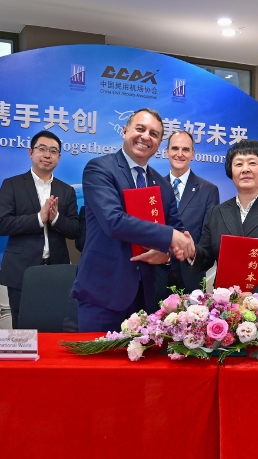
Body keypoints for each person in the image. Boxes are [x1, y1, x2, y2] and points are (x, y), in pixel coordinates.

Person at [70, 108, 195, 333]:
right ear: (125, 130)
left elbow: (176, 230)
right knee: (97, 366)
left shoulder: (162, 185)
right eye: (140, 129)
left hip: (146, 298)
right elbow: (113, 221)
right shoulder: (100, 169)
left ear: (158, 145)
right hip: (103, 294)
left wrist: (166, 254)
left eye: (154, 134)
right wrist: (170, 237)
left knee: (138, 367)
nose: (146, 136)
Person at [182, 140, 258, 308]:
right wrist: (192, 251)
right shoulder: (218, 212)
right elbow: (207, 256)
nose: (245, 169)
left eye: (252, 163)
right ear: (231, 172)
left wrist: (257, 295)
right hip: (224, 307)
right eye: (238, 164)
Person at [0, 130, 79, 328]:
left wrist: (56, 218)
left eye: (53, 151)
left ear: (59, 157)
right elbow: (2, 224)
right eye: (42, 149)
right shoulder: (12, 184)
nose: (47, 155)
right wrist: (39, 218)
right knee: (22, 327)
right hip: (21, 269)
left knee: (54, 325)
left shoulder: (66, 191)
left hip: (56, 269)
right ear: (31, 152)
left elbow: (75, 230)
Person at [155, 130, 220, 300]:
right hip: (157, 274)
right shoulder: (153, 187)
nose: (180, 154)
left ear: (193, 154)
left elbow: (209, 238)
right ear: (166, 152)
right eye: (175, 148)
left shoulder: (208, 190)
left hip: (191, 276)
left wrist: (191, 252)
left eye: (185, 149)